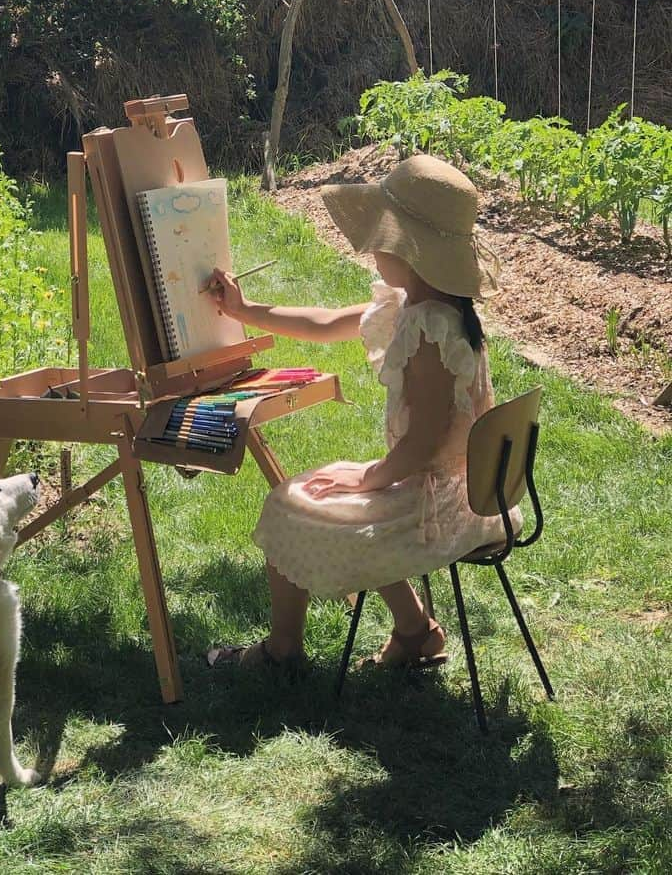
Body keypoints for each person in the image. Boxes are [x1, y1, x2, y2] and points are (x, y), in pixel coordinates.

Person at [206, 153, 510, 670]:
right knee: (332, 486)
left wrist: (369, 478)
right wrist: (243, 311)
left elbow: (427, 441)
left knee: (288, 503)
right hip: (459, 490)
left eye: (383, 240)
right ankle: (415, 631)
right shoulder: (430, 309)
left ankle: (281, 653)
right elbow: (325, 323)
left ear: (411, 253)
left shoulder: (431, 331)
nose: (374, 252)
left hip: (437, 507)